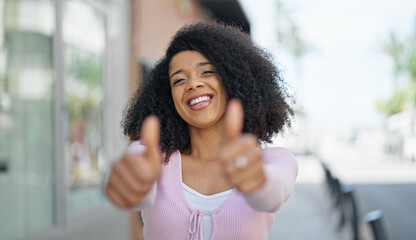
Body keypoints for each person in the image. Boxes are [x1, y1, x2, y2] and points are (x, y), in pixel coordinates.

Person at [105, 22, 298, 240]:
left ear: (233, 80)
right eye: (179, 79)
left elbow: (274, 192)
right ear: (168, 97)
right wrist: (136, 182)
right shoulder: (151, 155)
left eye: (206, 71)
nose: (193, 84)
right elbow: (139, 190)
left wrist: (257, 181)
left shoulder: (273, 162)